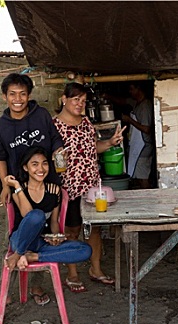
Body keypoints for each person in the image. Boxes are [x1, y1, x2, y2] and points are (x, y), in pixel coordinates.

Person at [0, 73, 64, 312]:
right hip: (20, 190)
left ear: (29, 95)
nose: (18, 99)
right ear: (4, 96)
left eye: (23, 94)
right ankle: (4, 291)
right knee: (21, 232)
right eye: (12, 94)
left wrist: (59, 158)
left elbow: (56, 139)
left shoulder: (41, 115)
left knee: (48, 232)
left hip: (48, 185)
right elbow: (0, 158)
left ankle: (36, 286)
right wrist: (6, 185)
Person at [0, 147, 92, 314]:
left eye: (44, 163)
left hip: (40, 243)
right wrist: (16, 185)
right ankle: (20, 253)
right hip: (20, 239)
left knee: (85, 250)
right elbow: (28, 215)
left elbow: (54, 221)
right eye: (35, 164)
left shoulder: (54, 191)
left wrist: (55, 237)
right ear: (26, 168)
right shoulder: (19, 188)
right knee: (36, 216)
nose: (40, 169)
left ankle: (29, 256)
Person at [53, 82, 126, 292]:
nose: (79, 104)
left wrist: (110, 143)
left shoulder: (86, 122)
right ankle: (73, 274)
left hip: (92, 187)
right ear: (64, 99)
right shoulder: (54, 125)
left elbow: (93, 148)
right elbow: (52, 159)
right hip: (69, 187)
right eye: (75, 99)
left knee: (94, 229)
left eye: (83, 101)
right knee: (72, 230)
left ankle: (96, 270)